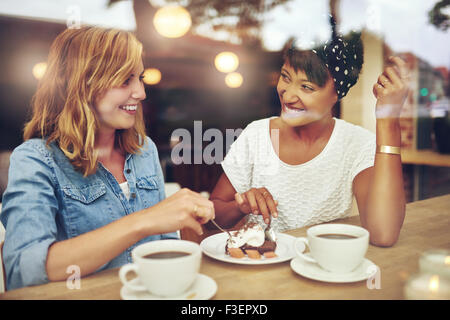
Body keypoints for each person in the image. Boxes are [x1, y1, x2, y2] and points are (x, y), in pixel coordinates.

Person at [0, 26, 214, 290]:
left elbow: (165, 244)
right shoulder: (35, 160)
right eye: (125, 80)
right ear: (82, 83)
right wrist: (143, 221)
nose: (140, 92)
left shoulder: (143, 149)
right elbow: (25, 270)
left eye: (140, 78)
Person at [210, 27, 409, 248]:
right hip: (263, 274)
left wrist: (388, 120)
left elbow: (383, 234)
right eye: (286, 77)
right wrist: (241, 206)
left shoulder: (356, 144)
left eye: (306, 87)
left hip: (322, 272)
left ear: (337, 94)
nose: (288, 94)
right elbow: (213, 215)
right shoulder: (256, 134)